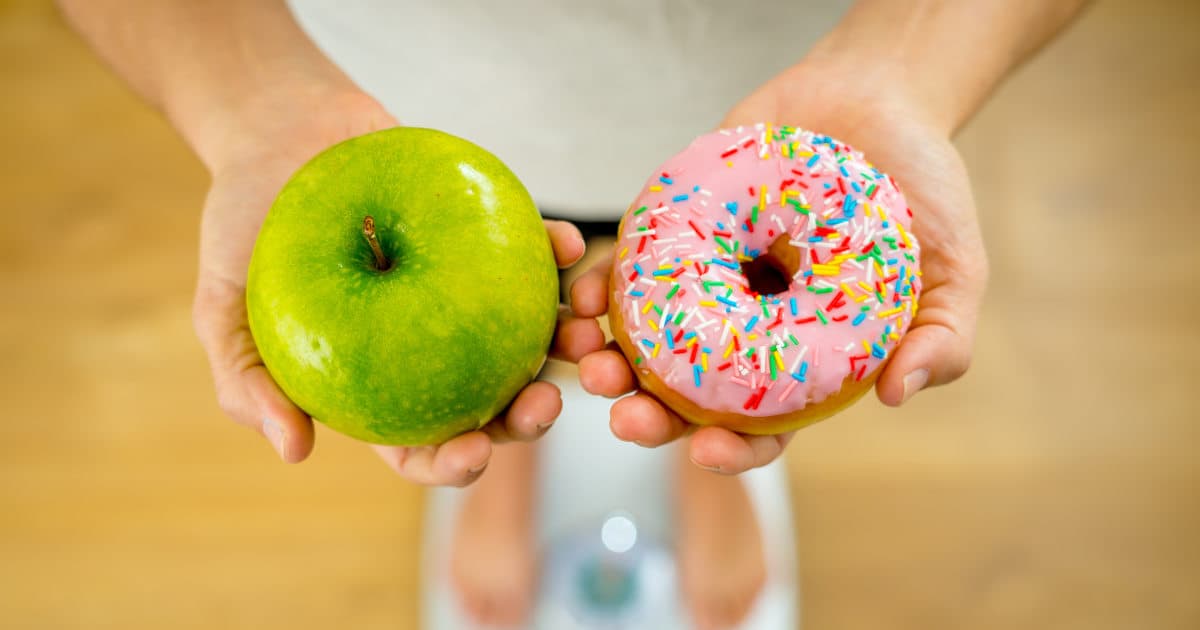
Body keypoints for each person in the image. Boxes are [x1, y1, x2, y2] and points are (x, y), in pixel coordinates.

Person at [60, 1, 1087, 627]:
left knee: (762, 371)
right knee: (523, 338)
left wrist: (905, 72)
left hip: (794, 90)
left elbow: (818, 312)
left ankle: (710, 473)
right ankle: (508, 470)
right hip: (395, 109)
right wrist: (247, 104)